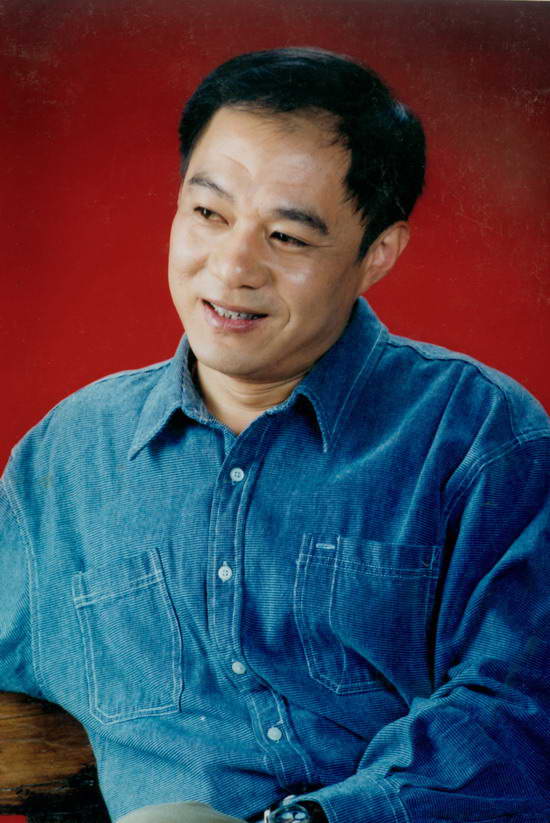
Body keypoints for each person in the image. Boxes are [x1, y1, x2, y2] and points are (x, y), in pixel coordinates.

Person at [1, 47, 549, 823]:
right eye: (208, 214)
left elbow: (520, 710)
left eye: (287, 237)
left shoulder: (480, 437)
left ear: (377, 253)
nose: (232, 266)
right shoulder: (67, 459)